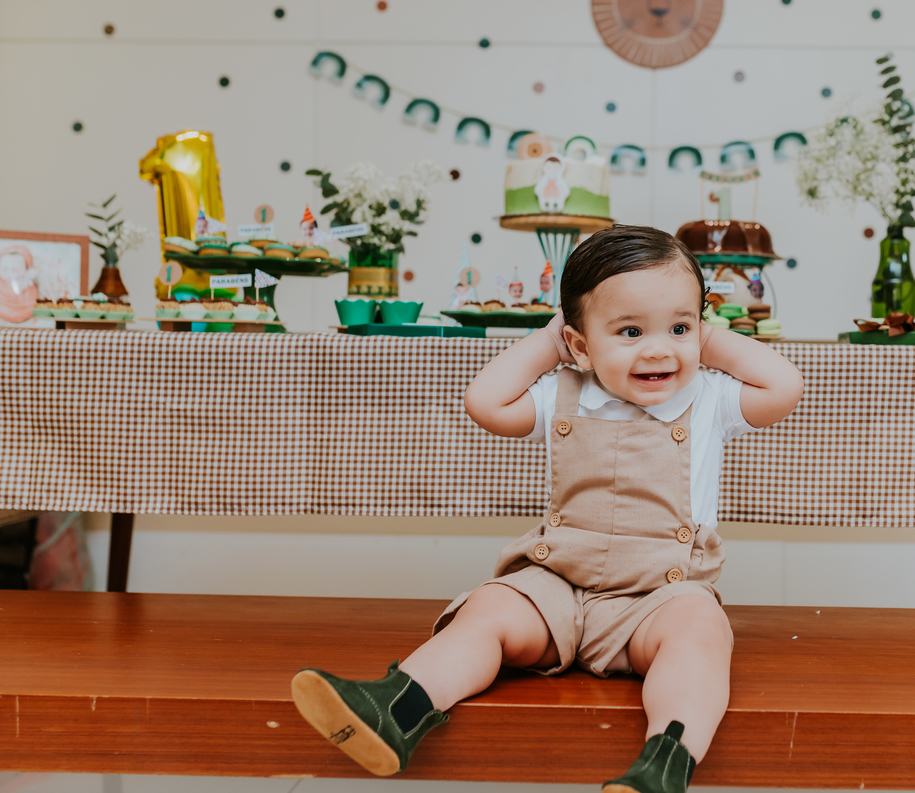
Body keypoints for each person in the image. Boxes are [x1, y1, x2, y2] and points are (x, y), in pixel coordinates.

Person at [291, 225, 805, 793]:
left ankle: (665, 761)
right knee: (488, 607)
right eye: (630, 330)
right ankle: (397, 708)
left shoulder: (710, 397)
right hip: (558, 586)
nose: (660, 349)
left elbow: (785, 384)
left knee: (700, 631)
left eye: (678, 327)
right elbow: (484, 403)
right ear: (581, 344)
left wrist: (704, 338)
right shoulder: (564, 390)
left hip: (656, 600)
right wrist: (546, 344)